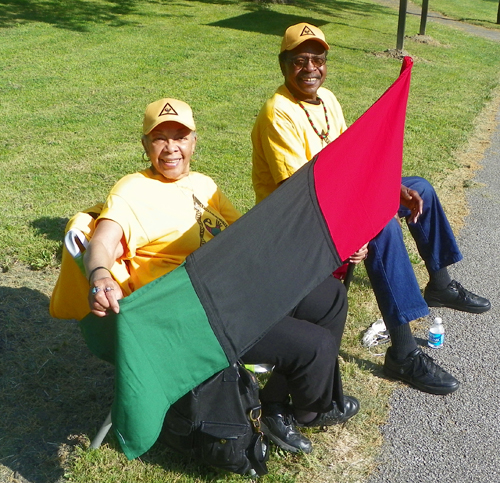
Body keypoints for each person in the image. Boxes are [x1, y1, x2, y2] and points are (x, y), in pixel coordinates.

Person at [83, 97, 359, 455]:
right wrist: (100, 273)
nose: (171, 148)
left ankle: (277, 405)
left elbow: (247, 232)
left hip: (232, 284)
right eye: (159, 138)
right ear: (145, 145)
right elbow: (101, 240)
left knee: (329, 296)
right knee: (315, 347)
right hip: (193, 313)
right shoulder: (132, 190)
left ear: (194, 141)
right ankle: (310, 407)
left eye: (180, 137)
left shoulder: (203, 184)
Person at [251, 23, 491, 396]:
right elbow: (298, 193)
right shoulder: (277, 112)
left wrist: (393, 189)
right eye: (299, 61)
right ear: (284, 65)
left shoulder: (327, 100)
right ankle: (403, 353)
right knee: (380, 226)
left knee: (419, 188)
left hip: (334, 197)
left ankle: (440, 285)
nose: (310, 68)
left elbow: (351, 163)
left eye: (318, 59)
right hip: (300, 221)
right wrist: (360, 217)